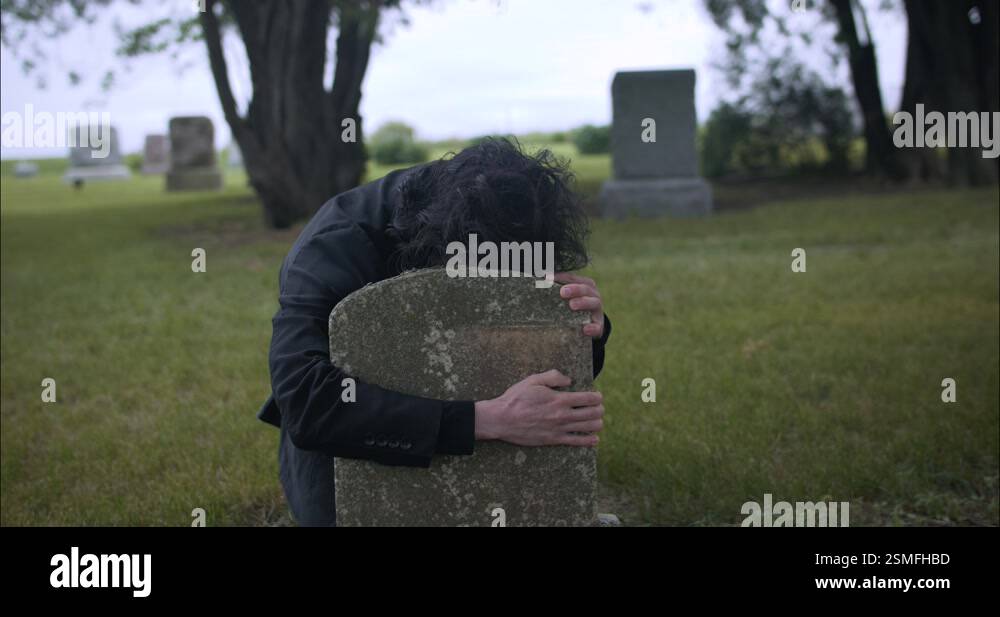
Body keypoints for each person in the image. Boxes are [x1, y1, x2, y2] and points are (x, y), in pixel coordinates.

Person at [257, 138, 611, 525]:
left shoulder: (518, 217)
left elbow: (546, 376)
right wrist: (487, 420)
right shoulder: (332, 248)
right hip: (352, 423)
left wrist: (584, 328)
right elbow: (305, 402)